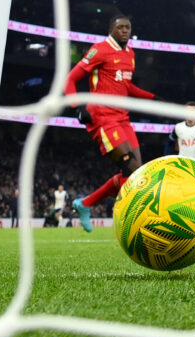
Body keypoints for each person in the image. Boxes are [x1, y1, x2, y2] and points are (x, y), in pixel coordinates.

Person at [65, 14, 157, 233]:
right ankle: (139, 221)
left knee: (135, 174)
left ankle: (84, 204)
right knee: (132, 168)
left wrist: (155, 99)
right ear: (111, 30)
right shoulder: (99, 50)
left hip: (123, 118)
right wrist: (77, 106)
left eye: (128, 27)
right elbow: (70, 79)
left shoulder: (130, 54)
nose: (125, 31)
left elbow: (128, 88)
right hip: (103, 119)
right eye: (120, 27)